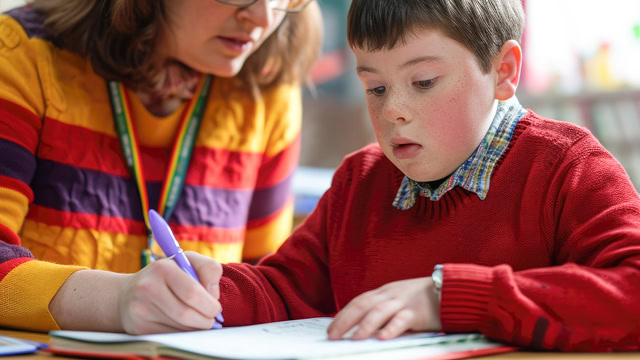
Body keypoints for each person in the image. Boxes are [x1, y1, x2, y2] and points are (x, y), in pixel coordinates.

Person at [207, 0, 639, 351]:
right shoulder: (360, 181)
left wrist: (446, 297)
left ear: (503, 70)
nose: (392, 108)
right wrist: (207, 293)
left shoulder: (566, 166)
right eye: (375, 88)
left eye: (425, 81)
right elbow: (283, 289)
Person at [0, 0, 321, 332]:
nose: (264, 17)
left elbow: (268, 288)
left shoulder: (266, 87)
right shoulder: (18, 53)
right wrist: (115, 301)